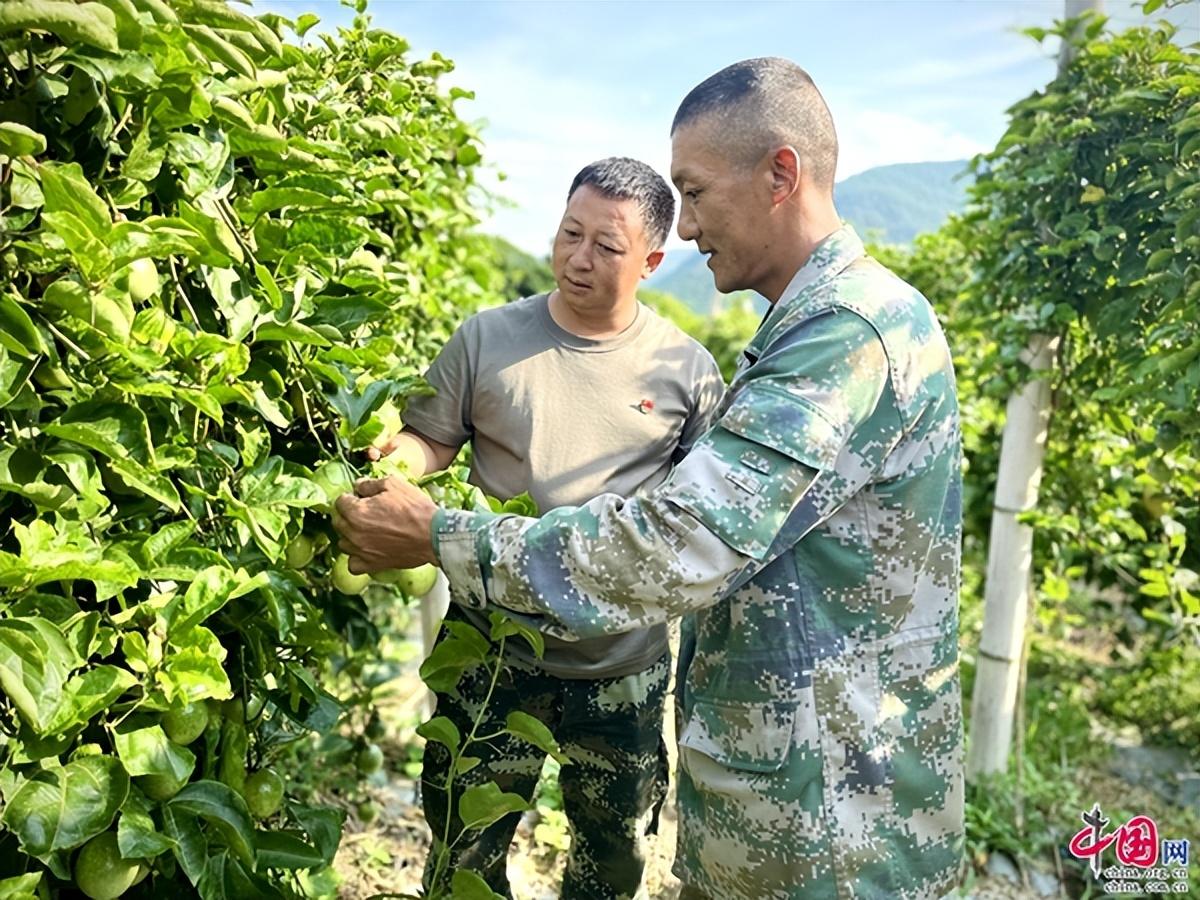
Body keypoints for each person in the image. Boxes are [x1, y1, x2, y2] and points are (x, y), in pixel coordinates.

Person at [337, 58, 964, 899]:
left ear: (781, 173)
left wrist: (439, 535)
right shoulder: (809, 328)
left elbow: (679, 540)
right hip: (797, 797)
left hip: (831, 819)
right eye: (571, 233)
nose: (693, 225)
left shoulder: (844, 335)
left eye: (695, 192)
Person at [369, 156, 724, 899]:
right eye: (569, 234)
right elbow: (432, 437)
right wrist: (400, 456)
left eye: (606, 246)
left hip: (620, 666)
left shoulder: (684, 371)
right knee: (463, 848)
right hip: (489, 655)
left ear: (653, 261)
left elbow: (699, 513)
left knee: (613, 858)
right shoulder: (487, 339)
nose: (578, 258)